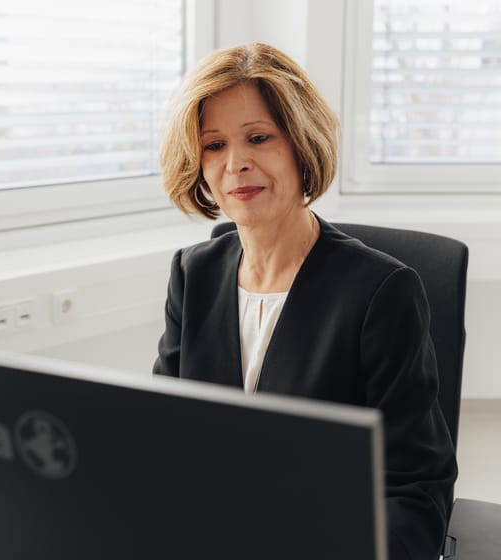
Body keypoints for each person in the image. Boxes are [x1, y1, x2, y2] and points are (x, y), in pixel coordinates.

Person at [153, 42, 457, 560]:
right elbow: (163, 442)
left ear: (301, 144)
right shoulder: (193, 273)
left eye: (258, 138)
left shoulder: (382, 293)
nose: (236, 164)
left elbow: (413, 490)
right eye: (214, 145)